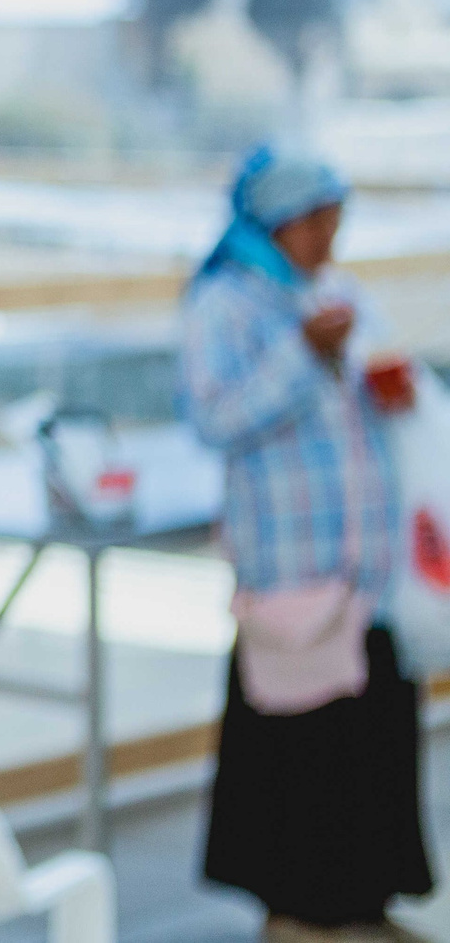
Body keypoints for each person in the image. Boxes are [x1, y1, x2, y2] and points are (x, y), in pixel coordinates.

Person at [181, 145, 431, 942]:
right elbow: (214, 418)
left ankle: (364, 903)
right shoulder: (224, 304)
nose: (330, 236)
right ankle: (295, 910)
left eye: (336, 219)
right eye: (316, 221)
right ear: (277, 222)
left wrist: (393, 387)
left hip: (365, 558)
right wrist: (304, 355)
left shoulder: (334, 290)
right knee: (299, 740)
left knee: (371, 730)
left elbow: (369, 381)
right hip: (290, 559)